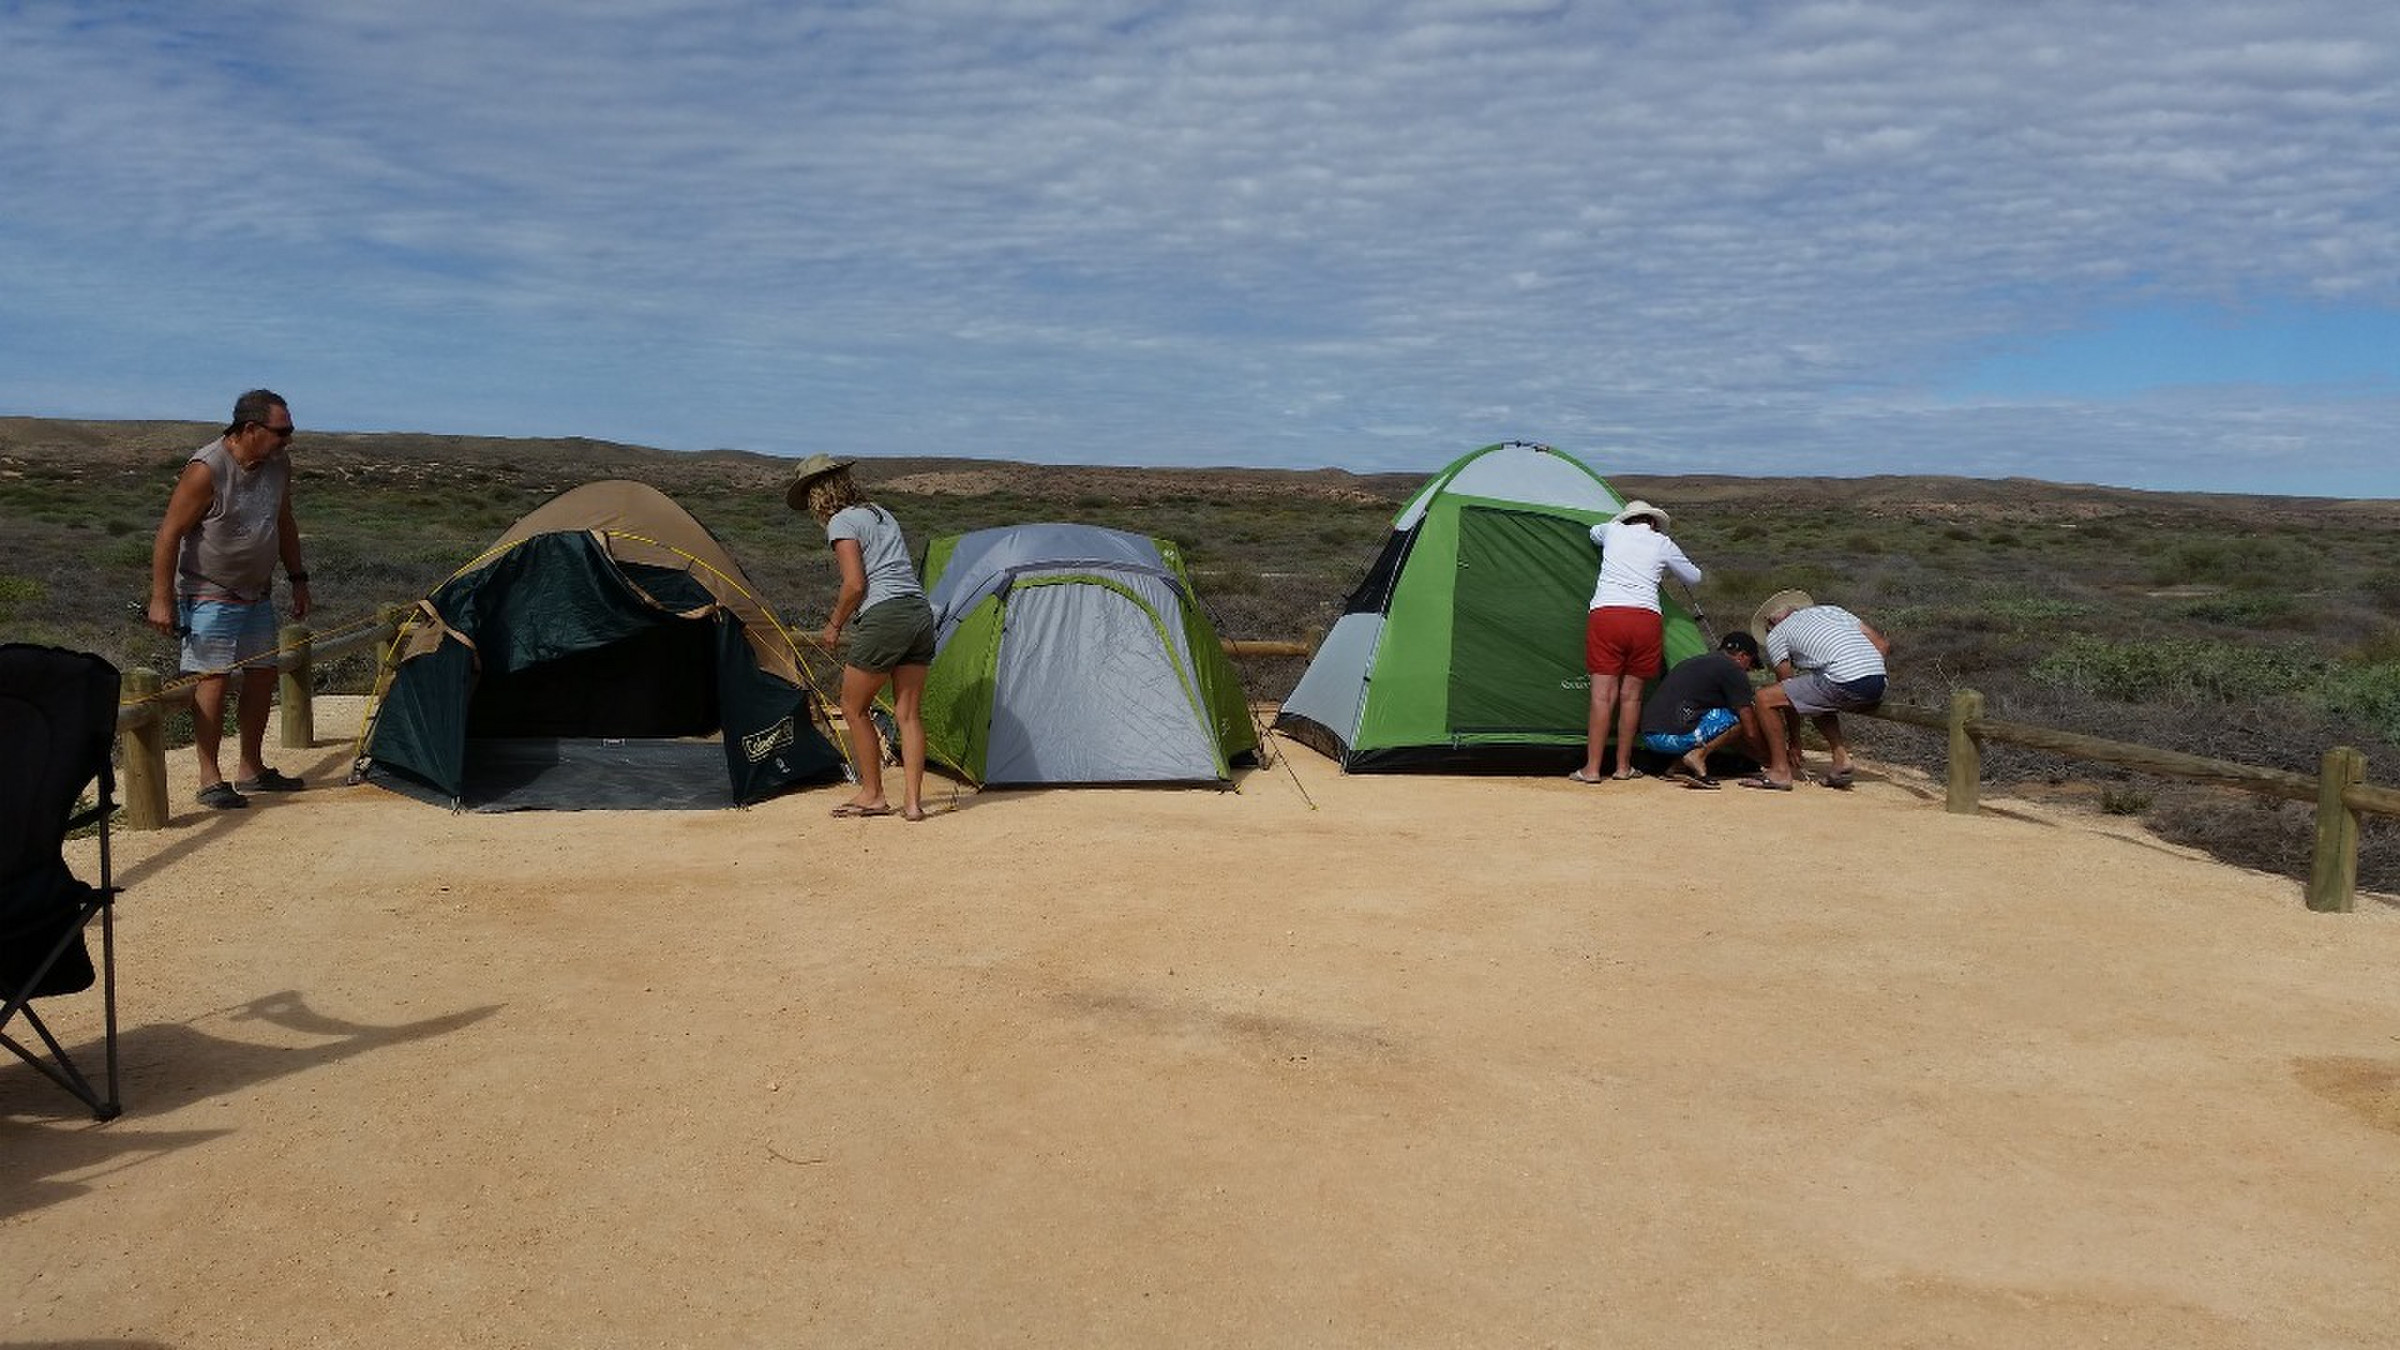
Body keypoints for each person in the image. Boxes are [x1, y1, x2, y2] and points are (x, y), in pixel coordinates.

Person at [145, 389, 311, 810]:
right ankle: (209, 777)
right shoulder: (208, 469)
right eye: (281, 432)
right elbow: (169, 533)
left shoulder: (278, 465)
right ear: (250, 429)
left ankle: (251, 768)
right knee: (213, 680)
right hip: (208, 589)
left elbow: (284, 520)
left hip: (256, 590)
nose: (287, 440)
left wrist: (297, 577)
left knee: (261, 675)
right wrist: (161, 598)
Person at [786, 453, 936, 821]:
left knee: (853, 708)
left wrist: (835, 624)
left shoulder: (841, 522)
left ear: (818, 492)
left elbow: (855, 585)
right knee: (908, 714)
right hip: (919, 612)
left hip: (885, 615)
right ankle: (914, 805)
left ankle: (873, 794)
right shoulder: (881, 513)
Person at [1573, 500, 1700, 783]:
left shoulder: (1613, 531)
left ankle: (1591, 769)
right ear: (1652, 522)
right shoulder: (1662, 543)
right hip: (1645, 619)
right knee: (1632, 697)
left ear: (1627, 518)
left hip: (1607, 615)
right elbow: (1694, 577)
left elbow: (1593, 533)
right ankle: (1623, 766)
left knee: (1601, 697)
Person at [1750, 589, 1890, 789]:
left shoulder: (1778, 633)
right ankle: (1840, 758)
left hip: (1844, 680)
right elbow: (1882, 645)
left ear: (1771, 623)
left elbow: (1784, 683)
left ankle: (1779, 771)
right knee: (1814, 695)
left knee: (1764, 698)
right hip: (1878, 681)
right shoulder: (1833, 611)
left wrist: (1795, 739)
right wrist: (1865, 674)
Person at [1636, 630, 1793, 790]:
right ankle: (1698, 756)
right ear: (1743, 656)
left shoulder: (1695, 662)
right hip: (1672, 739)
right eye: (1750, 665)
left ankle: (1677, 767)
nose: (1748, 671)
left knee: (1706, 717)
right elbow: (1750, 730)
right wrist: (1770, 759)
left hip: (1649, 736)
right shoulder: (1733, 670)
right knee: (1741, 717)